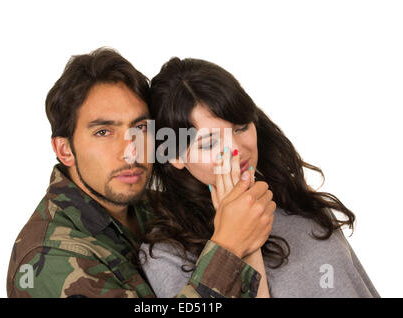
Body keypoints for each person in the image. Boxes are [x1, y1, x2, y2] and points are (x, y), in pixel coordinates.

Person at [6, 47, 272, 298]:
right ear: (65, 150)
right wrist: (228, 248)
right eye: (103, 132)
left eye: (141, 128)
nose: (131, 150)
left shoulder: (156, 206)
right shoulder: (49, 259)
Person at [139, 57, 380, 298]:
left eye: (241, 128)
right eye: (209, 142)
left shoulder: (293, 198)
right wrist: (244, 241)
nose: (237, 149)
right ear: (174, 156)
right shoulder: (166, 255)